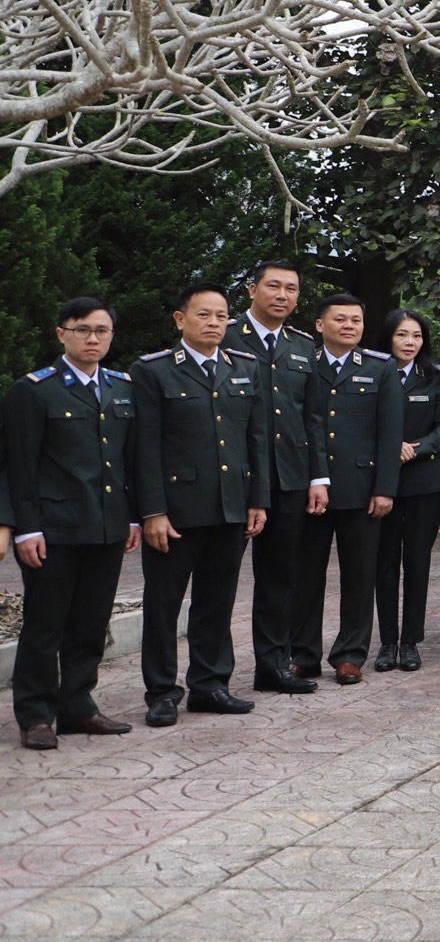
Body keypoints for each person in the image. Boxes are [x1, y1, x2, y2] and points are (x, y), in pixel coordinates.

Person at [130, 285, 268, 725]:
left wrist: (257, 500)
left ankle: (210, 684)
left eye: (221, 315)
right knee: (164, 604)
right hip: (176, 511)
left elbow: (256, 439)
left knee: (217, 600)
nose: (213, 323)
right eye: (203, 314)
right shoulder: (153, 371)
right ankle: (162, 691)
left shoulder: (244, 366)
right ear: (180, 319)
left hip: (230, 506)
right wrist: (152, 511)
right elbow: (144, 448)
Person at [6, 299, 139, 747]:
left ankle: (78, 706)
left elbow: (129, 460)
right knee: (45, 625)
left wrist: (132, 517)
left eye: (102, 330)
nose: (92, 338)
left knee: (90, 623)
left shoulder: (122, 387)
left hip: (106, 526)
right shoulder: (33, 391)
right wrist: (25, 528)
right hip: (53, 529)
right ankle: (36, 715)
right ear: (61, 333)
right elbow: (18, 465)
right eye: (82, 330)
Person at [296, 294, 403, 684]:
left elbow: (390, 432)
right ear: (320, 325)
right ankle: (303, 653)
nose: (349, 326)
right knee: (306, 575)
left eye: (356, 320)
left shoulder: (380, 367)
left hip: (362, 488)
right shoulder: (303, 364)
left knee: (359, 575)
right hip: (312, 488)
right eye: (340, 319)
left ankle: (350, 654)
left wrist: (385, 488)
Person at [231, 258, 320, 698]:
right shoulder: (225, 335)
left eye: (291, 289)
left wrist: (318, 477)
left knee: (280, 578)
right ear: (252, 290)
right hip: (235, 476)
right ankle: (211, 675)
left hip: (288, 475)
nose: (283, 295)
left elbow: (313, 416)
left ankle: (273, 665)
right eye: (274, 286)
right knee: (220, 580)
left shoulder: (302, 345)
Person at [371, 310, 440, 674]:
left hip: (425, 482)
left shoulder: (435, 378)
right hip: (382, 483)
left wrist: (415, 448)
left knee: (418, 562)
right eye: (402, 335)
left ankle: (410, 642)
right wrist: (390, 447)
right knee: (385, 564)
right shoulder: (373, 372)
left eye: (417, 336)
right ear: (388, 337)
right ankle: (387, 642)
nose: (410, 342)